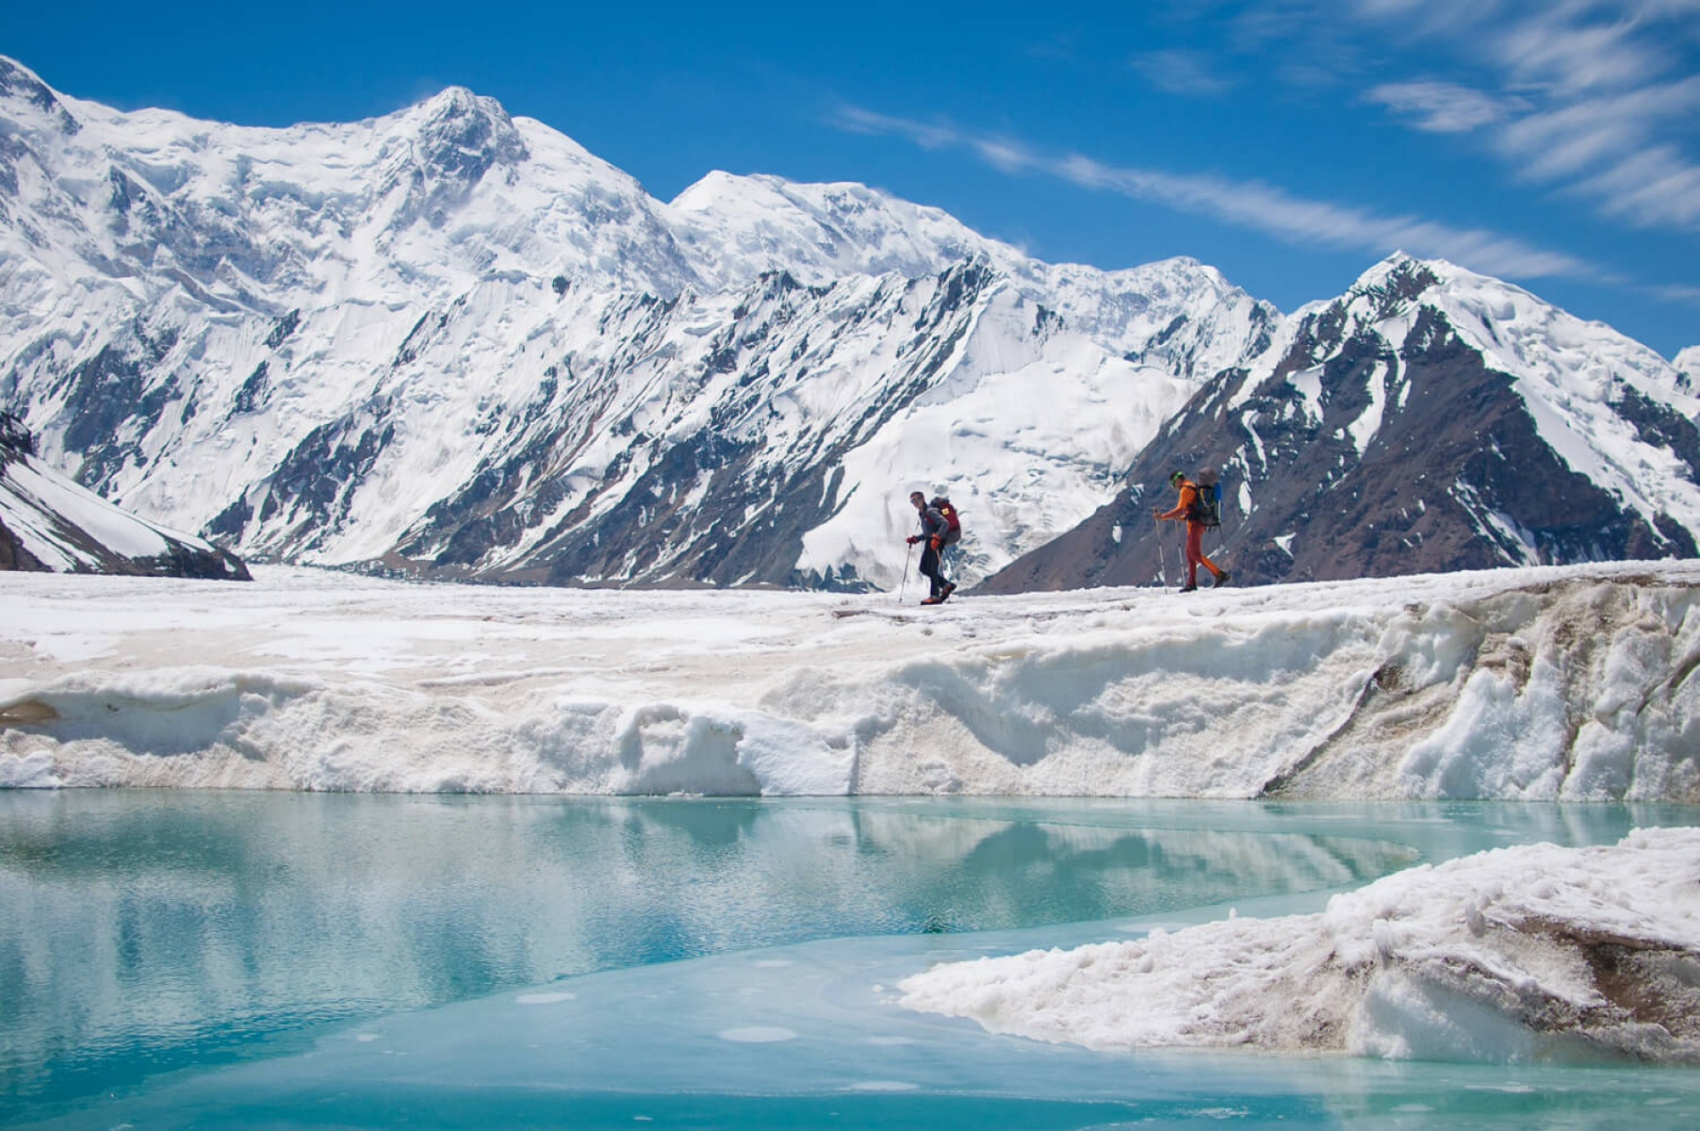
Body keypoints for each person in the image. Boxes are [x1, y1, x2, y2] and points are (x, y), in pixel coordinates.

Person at [1155, 470, 1229, 592]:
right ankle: (1191, 583)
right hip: (1195, 523)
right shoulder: (1192, 486)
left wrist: (1162, 517)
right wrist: (1184, 518)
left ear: (1177, 480)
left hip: (1195, 525)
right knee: (1190, 554)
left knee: (1195, 554)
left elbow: (1180, 509)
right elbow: (1193, 508)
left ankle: (1219, 574)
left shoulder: (1185, 490)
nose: (1174, 487)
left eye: (1173, 484)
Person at [906, 490, 955, 605]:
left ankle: (935, 596)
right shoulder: (923, 514)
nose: (915, 502)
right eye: (912, 501)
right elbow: (928, 532)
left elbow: (945, 523)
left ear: (922, 499)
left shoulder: (930, 512)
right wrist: (916, 539)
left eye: (917, 499)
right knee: (924, 568)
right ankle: (946, 585)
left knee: (932, 568)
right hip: (930, 541)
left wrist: (937, 538)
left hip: (936, 542)